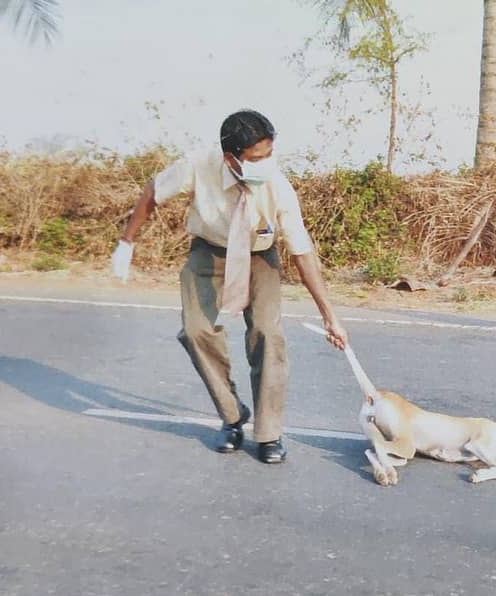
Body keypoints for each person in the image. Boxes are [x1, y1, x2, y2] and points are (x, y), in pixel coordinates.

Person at [110, 109, 348, 463]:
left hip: (260, 258)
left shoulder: (277, 186)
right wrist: (126, 243)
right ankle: (233, 416)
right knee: (196, 332)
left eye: (269, 155)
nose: (265, 164)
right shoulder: (198, 164)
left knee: (267, 334)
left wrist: (330, 316)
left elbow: (302, 251)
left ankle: (269, 434)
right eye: (256, 158)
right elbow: (153, 192)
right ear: (229, 157)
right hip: (209, 254)